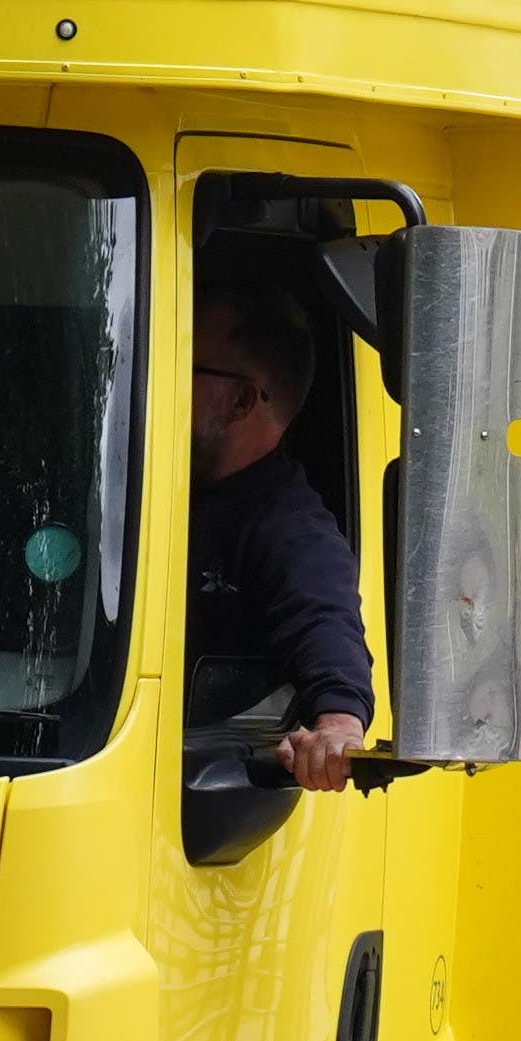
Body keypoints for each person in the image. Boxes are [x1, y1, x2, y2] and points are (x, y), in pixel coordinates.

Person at [186, 266, 373, 791]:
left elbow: (325, 622)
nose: (155, 378)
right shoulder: (132, 483)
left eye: (183, 364)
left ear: (243, 400)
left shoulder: (292, 531)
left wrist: (338, 726)